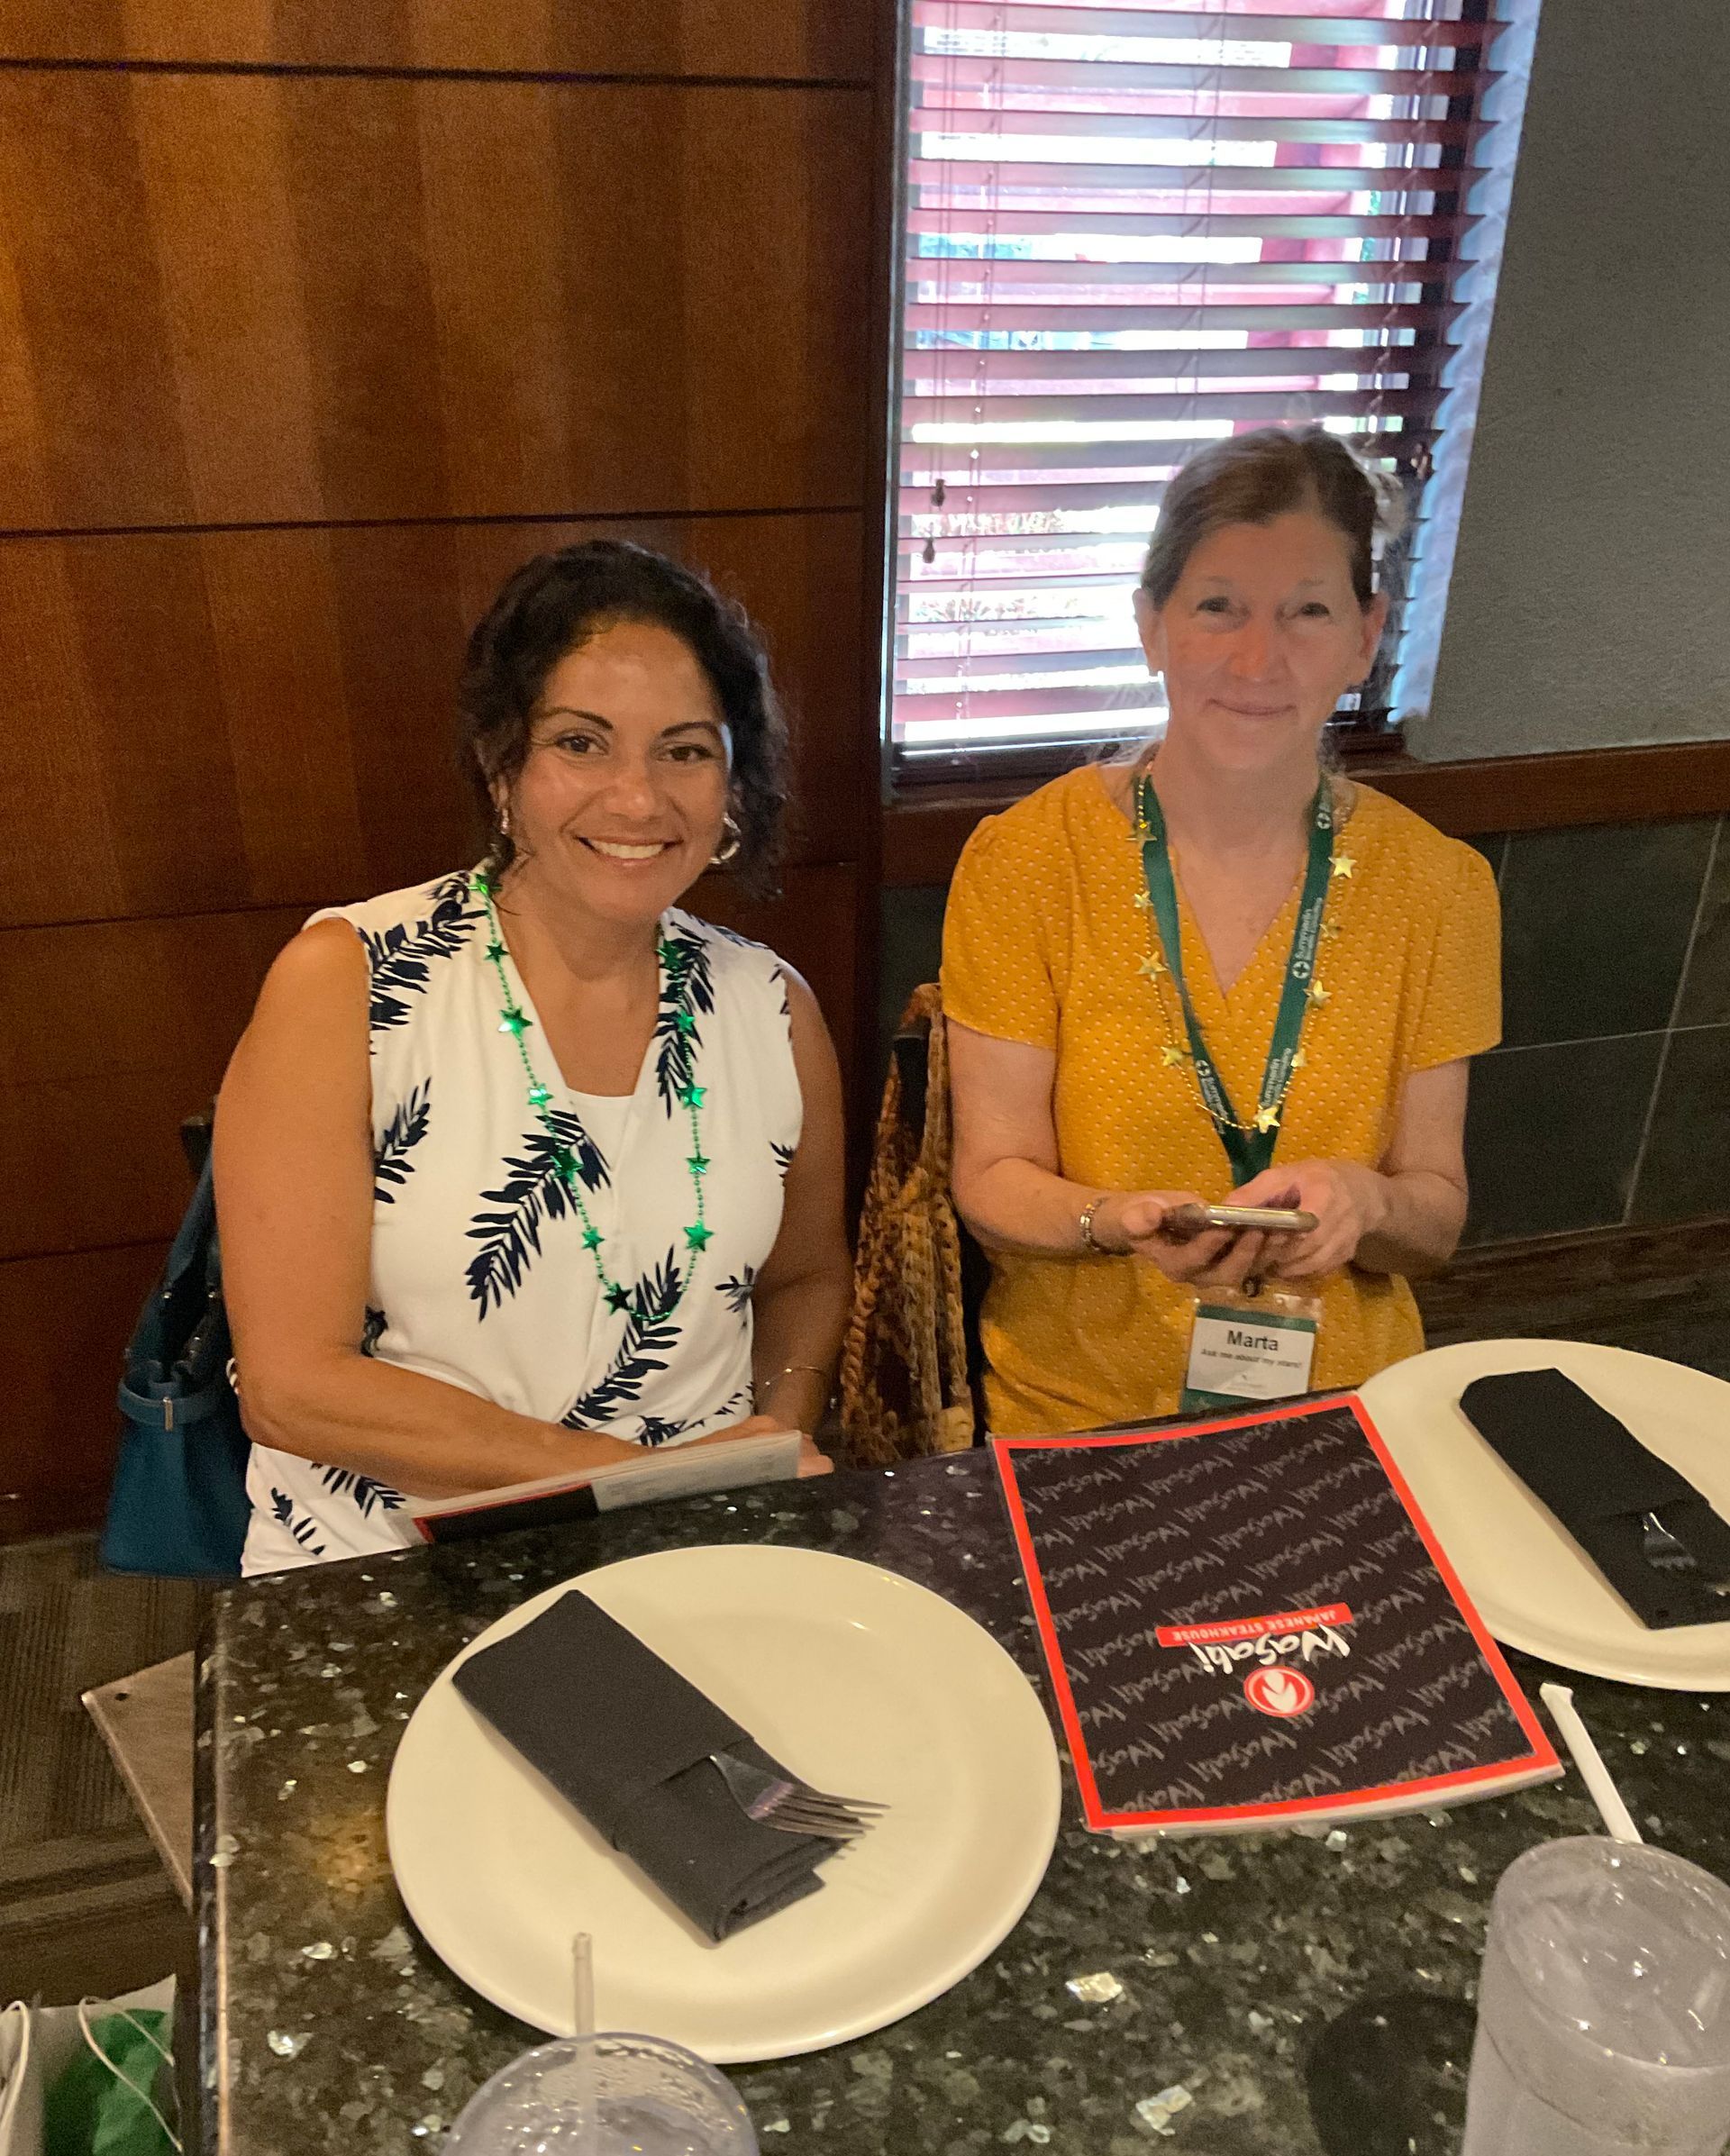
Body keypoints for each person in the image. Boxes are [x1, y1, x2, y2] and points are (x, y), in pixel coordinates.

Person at [214, 541, 851, 1572]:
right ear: (501, 760)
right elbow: (293, 1386)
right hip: (389, 1563)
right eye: (582, 743)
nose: (639, 800)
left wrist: (772, 1435)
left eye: (685, 750)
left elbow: (808, 1277)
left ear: (734, 780)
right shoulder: (349, 980)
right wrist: (621, 1480)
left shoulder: (772, 1007)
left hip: (692, 1540)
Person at [942, 426, 1500, 1437]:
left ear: (1365, 636)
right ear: (1152, 625)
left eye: (1308, 612)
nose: (1259, 658)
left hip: (1349, 1409)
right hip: (1079, 1410)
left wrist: (1364, 1202)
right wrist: (1110, 1223)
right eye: (1218, 607)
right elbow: (989, 1179)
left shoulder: (1440, 886)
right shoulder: (1026, 860)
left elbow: (1437, 1215)